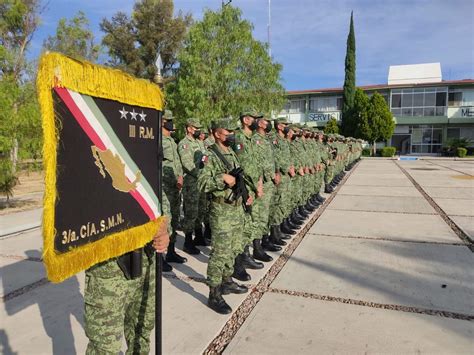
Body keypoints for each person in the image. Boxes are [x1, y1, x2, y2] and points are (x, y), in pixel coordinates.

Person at [84, 219, 170, 354]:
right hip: (108, 270)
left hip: (145, 262)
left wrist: (164, 229)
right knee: (104, 346)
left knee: (141, 334)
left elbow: (159, 202)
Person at [197, 117, 253, 314]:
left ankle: (227, 280)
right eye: (226, 131)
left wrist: (247, 195)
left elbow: (240, 177)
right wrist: (221, 178)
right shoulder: (208, 155)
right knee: (220, 252)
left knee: (234, 247)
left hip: (237, 208)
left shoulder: (232, 152)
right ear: (215, 133)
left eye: (231, 131)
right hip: (221, 211)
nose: (230, 134)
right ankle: (214, 292)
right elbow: (202, 184)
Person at [162, 110, 187, 269]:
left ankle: (171, 252)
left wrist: (180, 177)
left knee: (175, 218)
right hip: (164, 188)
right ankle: (160, 258)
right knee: (166, 222)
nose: (171, 122)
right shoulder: (156, 140)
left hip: (175, 188)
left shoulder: (171, 140)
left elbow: (177, 163)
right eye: (168, 120)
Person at [178, 118, 207, 254]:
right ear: (189, 128)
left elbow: (204, 159)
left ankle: (198, 236)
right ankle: (188, 241)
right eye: (196, 128)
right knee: (191, 212)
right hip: (191, 183)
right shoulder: (185, 144)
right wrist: (199, 174)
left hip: (201, 182)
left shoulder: (199, 143)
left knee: (201, 210)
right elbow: (187, 163)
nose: (198, 131)